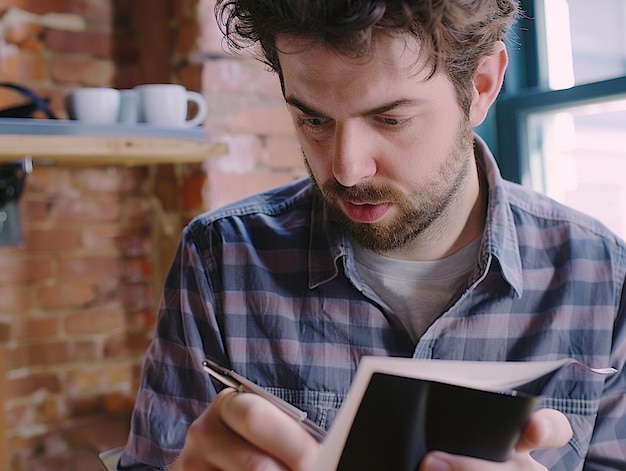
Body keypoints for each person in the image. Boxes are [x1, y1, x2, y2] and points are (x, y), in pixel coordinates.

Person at [118, 0, 626, 470]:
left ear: (483, 86)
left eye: (390, 118)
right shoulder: (219, 259)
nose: (346, 169)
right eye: (313, 119)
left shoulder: (604, 275)